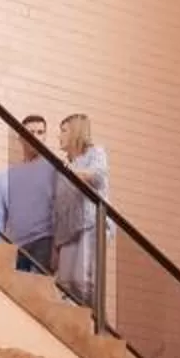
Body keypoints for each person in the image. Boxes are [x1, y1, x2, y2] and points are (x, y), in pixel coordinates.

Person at [53, 112, 111, 307]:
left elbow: (98, 176)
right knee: (64, 283)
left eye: (63, 131)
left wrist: (71, 172)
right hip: (67, 230)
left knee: (83, 279)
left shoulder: (95, 153)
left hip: (89, 224)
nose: (59, 136)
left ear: (75, 132)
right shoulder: (64, 166)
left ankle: (94, 325)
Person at [0, 112, 57, 274]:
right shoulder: (6, 176)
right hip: (16, 246)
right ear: (21, 138)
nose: (35, 137)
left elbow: (61, 209)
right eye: (30, 132)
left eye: (40, 132)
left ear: (46, 136)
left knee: (37, 294)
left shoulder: (54, 169)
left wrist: (58, 248)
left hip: (44, 242)